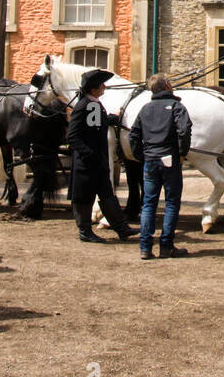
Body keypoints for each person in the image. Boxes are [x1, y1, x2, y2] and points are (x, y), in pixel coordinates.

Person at [67, 68, 139, 244]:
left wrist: (111, 120)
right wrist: (88, 154)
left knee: (107, 194)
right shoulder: (85, 105)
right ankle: (85, 231)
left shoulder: (93, 104)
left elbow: (96, 126)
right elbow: (73, 136)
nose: (104, 87)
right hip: (87, 163)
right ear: (93, 89)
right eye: (101, 85)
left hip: (98, 162)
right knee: (85, 197)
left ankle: (121, 228)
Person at [131, 73, 193, 259]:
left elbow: (133, 135)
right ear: (167, 86)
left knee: (149, 204)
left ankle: (145, 247)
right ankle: (166, 246)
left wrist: (141, 156)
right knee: (172, 203)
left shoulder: (145, 108)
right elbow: (184, 130)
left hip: (150, 160)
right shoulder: (176, 106)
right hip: (169, 159)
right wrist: (182, 153)